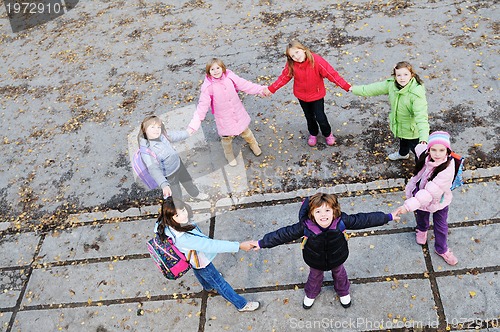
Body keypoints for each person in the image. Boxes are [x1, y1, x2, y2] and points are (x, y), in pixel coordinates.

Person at [248, 192, 399, 309]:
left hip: (337, 256)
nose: (323, 215)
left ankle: (343, 291)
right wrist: (262, 243)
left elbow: (365, 219)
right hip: (315, 259)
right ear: (311, 213)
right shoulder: (305, 226)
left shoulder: (341, 221)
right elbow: (282, 234)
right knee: (314, 276)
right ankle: (311, 293)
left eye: (327, 210)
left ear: (334, 211)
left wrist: (388, 217)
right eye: (318, 211)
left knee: (340, 273)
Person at [156, 197, 260, 312]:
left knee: (198, 270)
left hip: (191, 259)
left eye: (183, 210)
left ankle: (208, 286)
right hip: (201, 261)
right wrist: (239, 246)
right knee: (221, 284)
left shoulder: (163, 224)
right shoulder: (185, 238)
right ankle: (241, 305)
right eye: (177, 215)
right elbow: (211, 245)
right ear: (170, 217)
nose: (183, 215)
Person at [262, 40, 351, 147]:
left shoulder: (316, 61)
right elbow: (284, 77)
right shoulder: (292, 64)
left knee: (320, 117)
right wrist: (271, 89)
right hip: (301, 96)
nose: (296, 57)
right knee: (309, 116)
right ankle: (313, 133)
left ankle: (327, 134)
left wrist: (346, 86)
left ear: (303, 49)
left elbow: (331, 74)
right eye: (292, 56)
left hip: (316, 95)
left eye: (297, 52)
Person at [394, 131, 458, 265]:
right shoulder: (426, 155)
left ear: (448, 150)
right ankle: (422, 229)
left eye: (441, 150)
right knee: (422, 215)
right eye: (433, 149)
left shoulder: (447, 169)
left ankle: (441, 249)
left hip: (438, 200)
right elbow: (420, 146)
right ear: (429, 149)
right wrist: (423, 141)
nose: (437, 154)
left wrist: (408, 206)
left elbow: (430, 193)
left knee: (441, 225)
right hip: (421, 194)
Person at [187, 58, 266, 166]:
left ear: (222, 68)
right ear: (208, 72)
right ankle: (228, 153)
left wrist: (262, 89)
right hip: (224, 117)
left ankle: (253, 144)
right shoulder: (208, 88)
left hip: (237, 112)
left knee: (245, 131)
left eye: (218, 68)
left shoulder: (230, 77)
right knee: (226, 138)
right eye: (212, 69)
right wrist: (193, 126)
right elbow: (201, 108)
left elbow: (245, 85)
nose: (216, 71)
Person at [350, 61, 429, 161]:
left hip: (413, 131)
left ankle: (423, 170)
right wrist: (354, 89)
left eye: (405, 74)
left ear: (411, 75)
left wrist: (423, 139)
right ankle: (403, 154)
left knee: (419, 153)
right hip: (400, 126)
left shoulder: (416, 95)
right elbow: (373, 89)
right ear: (395, 76)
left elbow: (421, 117)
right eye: (399, 75)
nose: (402, 78)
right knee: (403, 141)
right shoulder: (392, 84)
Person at [138, 115, 208, 200]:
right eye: (152, 127)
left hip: (178, 164)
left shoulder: (162, 135)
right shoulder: (147, 150)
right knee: (176, 193)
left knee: (188, 182)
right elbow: (153, 169)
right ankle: (180, 206)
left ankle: (195, 194)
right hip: (169, 175)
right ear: (144, 129)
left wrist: (187, 133)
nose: (156, 130)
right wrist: (164, 184)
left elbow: (175, 135)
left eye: (158, 127)